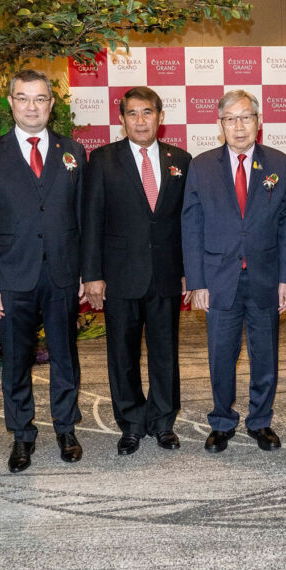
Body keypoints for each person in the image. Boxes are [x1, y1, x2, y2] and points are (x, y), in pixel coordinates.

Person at [0, 69, 87, 473]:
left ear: (52, 105)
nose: (31, 106)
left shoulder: (73, 151)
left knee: (65, 356)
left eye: (40, 99)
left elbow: (81, 219)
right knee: (15, 361)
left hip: (61, 274)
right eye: (23, 98)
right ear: (10, 102)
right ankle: (22, 435)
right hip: (10, 277)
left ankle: (65, 428)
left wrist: (83, 272)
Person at [181, 89, 286, 453]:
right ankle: (221, 420)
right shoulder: (200, 166)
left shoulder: (278, 163)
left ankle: (260, 421)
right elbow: (191, 226)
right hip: (219, 279)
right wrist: (197, 281)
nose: (239, 125)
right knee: (220, 355)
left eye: (246, 117)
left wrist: (285, 279)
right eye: (230, 119)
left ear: (259, 123)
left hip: (264, 277)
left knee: (265, 355)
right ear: (220, 125)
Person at [83, 87, 192, 455]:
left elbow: (186, 223)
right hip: (119, 276)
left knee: (165, 353)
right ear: (121, 118)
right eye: (133, 113)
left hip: (165, 275)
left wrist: (189, 271)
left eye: (148, 112)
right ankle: (130, 423)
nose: (141, 120)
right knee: (122, 355)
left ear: (160, 117)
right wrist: (92, 275)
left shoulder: (181, 160)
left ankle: (163, 422)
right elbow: (91, 221)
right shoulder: (101, 160)